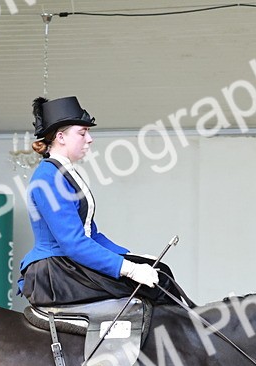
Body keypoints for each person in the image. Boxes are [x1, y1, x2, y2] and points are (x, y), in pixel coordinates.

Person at [18, 96, 185, 307]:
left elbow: (92, 234)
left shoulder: (62, 172)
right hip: (56, 270)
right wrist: (129, 269)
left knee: (161, 271)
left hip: (69, 262)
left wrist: (129, 255)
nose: (89, 139)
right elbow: (73, 243)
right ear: (61, 137)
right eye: (82, 133)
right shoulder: (48, 178)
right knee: (158, 285)